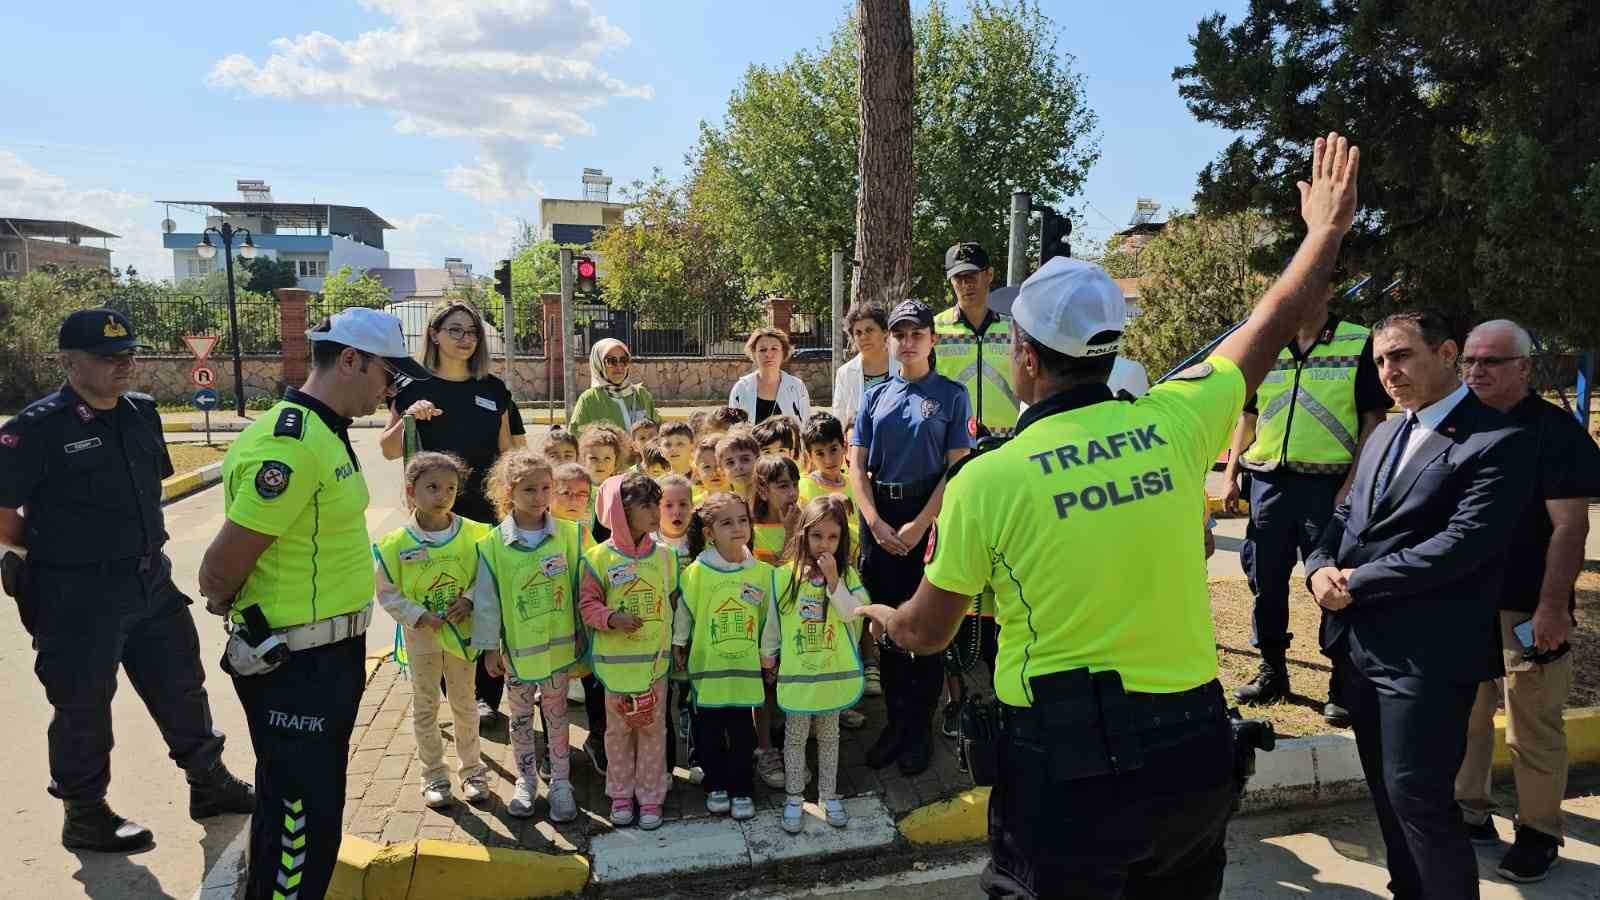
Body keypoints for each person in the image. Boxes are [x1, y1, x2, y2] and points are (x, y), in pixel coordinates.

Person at [857, 133, 1363, 899]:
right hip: (1193, 755)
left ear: (1025, 356)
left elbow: (929, 632)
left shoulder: (989, 480)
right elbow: (1266, 322)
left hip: (1063, 776)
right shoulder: (1178, 420)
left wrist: (881, 616)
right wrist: (1325, 232)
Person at [0, 308, 253, 853]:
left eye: (129, 354)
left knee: (181, 685)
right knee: (83, 704)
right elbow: (1, 513)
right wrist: (46, 551)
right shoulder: (36, 428)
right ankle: (85, 813)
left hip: (149, 580)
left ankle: (208, 782)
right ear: (68, 361)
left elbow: (147, 490)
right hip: (75, 594)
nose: (124, 365)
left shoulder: (143, 411)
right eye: (108, 357)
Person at [199, 307, 429, 900]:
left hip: (326, 655)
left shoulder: (324, 430)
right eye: (387, 374)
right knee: (301, 816)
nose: (391, 390)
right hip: (298, 664)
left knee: (308, 800)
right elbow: (219, 568)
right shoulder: (294, 443)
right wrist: (236, 607)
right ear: (350, 359)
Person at [1305, 309, 1536, 900]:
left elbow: (1461, 546)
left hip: (1428, 658)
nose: (1389, 371)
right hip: (1359, 648)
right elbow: (1345, 513)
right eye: (1381, 360)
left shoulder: (1498, 440)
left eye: (1402, 355)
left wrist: (1357, 580)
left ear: (1447, 353)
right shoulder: (1383, 432)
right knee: (1386, 794)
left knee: (1421, 799)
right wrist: (1318, 568)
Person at [1453, 320, 1600, 882]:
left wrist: (1554, 607)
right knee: (1466, 715)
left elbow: (1569, 530)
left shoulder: (1553, 432)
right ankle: (1469, 813)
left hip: (1527, 605)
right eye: (1469, 360)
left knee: (1532, 724)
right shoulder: (1456, 424)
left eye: (1490, 361)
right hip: (1464, 605)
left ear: (1524, 368)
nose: (1476, 371)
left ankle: (1539, 831)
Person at [1219, 297, 1390, 722]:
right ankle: (1272, 669)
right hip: (1268, 481)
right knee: (1264, 579)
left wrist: (1350, 488)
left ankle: (1342, 681)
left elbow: (1373, 421)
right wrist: (1230, 472)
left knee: (1332, 584)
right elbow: (1250, 413)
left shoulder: (1356, 342)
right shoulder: (1270, 344)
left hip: (1327, 486)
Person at [380, 299, 527, 725]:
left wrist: (515, 505)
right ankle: (450, 686)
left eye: (472, 332)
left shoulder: (494, 389)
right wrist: (408, 417)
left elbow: (511, 452)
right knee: (441, 596)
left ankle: (486, 695)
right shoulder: (412, 388)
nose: (465, 339)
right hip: (436, 519)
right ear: (434, 335)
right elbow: (389, 450)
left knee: (484, 601)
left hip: (485, 513)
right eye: (456, 330)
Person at [850, 299, 975, 777]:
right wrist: (876, 523)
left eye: (916, 333)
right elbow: (856, 466)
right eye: (899, 334)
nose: (907, 342)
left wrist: (919, 525)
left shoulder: (951, 395)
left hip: (926, 517)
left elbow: (957, 468)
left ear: (932, 339)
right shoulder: (874, 395)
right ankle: (896, 727)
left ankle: (919, 731)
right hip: (881, 518)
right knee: (886, 630)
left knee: (923, 634)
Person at [373, 451, 493, 808]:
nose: (442, 495)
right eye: (432, 487)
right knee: (425, 706)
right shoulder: (395, 543)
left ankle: (472, 770)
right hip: (422, 638)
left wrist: (469, 600)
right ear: (411, 491)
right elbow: (387, 592)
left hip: (461, 635)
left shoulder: (475, 534)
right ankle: (434, 777)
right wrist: (418, 615)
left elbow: (484, 577)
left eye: (450, 488)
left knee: (465, 703)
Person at [475, 450, 586, 824]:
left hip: (559, 652)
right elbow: (488, 601)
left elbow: (579, 591)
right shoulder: (493, 545)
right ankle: (525, 781)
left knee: (557, 715)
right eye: (529, 489)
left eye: (545, 488)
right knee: (520, 719)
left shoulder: (570, 536)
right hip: (518, 655)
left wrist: (584, 638)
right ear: (509, 492)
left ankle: (561, 783)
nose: (539, 497)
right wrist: (490, 647)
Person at [578, 473, 678, 830]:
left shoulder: (666, 556)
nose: (656, 512)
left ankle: (651, 797)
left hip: (654, 664)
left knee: (653, 729)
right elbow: (586, 605)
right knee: (618, 731)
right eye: (646, 505)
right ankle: (621, 793)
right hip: (615, 667)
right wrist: (611, 618)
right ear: (619, 510)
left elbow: (672, 603)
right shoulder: (598, 559)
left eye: (658, 503)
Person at [763, 495, 867, 834]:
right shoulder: (783, 576)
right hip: (797, 674)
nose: (825, 544)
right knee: (794, 736)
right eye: (817, 535)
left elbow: (853, 613)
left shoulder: (847, 574)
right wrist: (768, 655)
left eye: (833, 537)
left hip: (831, 672)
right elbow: (773, 622)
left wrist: (835, 579)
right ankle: (794, 797)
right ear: (803, 535)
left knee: (829, 736)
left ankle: (828, 795)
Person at [674, 491, 771, 821]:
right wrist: (678, 643)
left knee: (744, 733)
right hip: (707, 669)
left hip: (744, 671)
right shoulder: (697, 573)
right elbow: (684, 613)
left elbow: (767, 619)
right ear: (709, 532)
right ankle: (715, 784)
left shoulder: (760, 572)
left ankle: (742, 787)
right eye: (727, 522)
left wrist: (768, 655)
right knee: (708, 732)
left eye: (742, 520)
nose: (738, 528)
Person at [935, 242, 1019, 438]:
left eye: (972, 276)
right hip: (952, 443)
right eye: (958, 278)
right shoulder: (934, 330)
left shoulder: (1015, 329)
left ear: (989, 275)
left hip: (1007, 442)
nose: (966, 285)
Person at [831, 302, 900, 438]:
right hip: (859, 451)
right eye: (858, 333)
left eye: (869, 330)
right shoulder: (844, 373)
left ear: (885, 332)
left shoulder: (903, 366)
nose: (863, 337)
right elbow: (839, 421)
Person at [570, 339, 659, 434]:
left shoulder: (641, 395)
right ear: (599, 363)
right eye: (611, 361)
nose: (619, 366)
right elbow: (576, 441)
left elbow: (659, 434)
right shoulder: (589, 400)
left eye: (624, 360)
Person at [729, 328, 813, 424]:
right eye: (762, 350)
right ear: (754, 354)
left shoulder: (797, 387)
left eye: (774, 348)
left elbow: (805, 426)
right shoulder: (741, 388)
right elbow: (733, 430)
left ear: (783, 352)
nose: (768, 354)